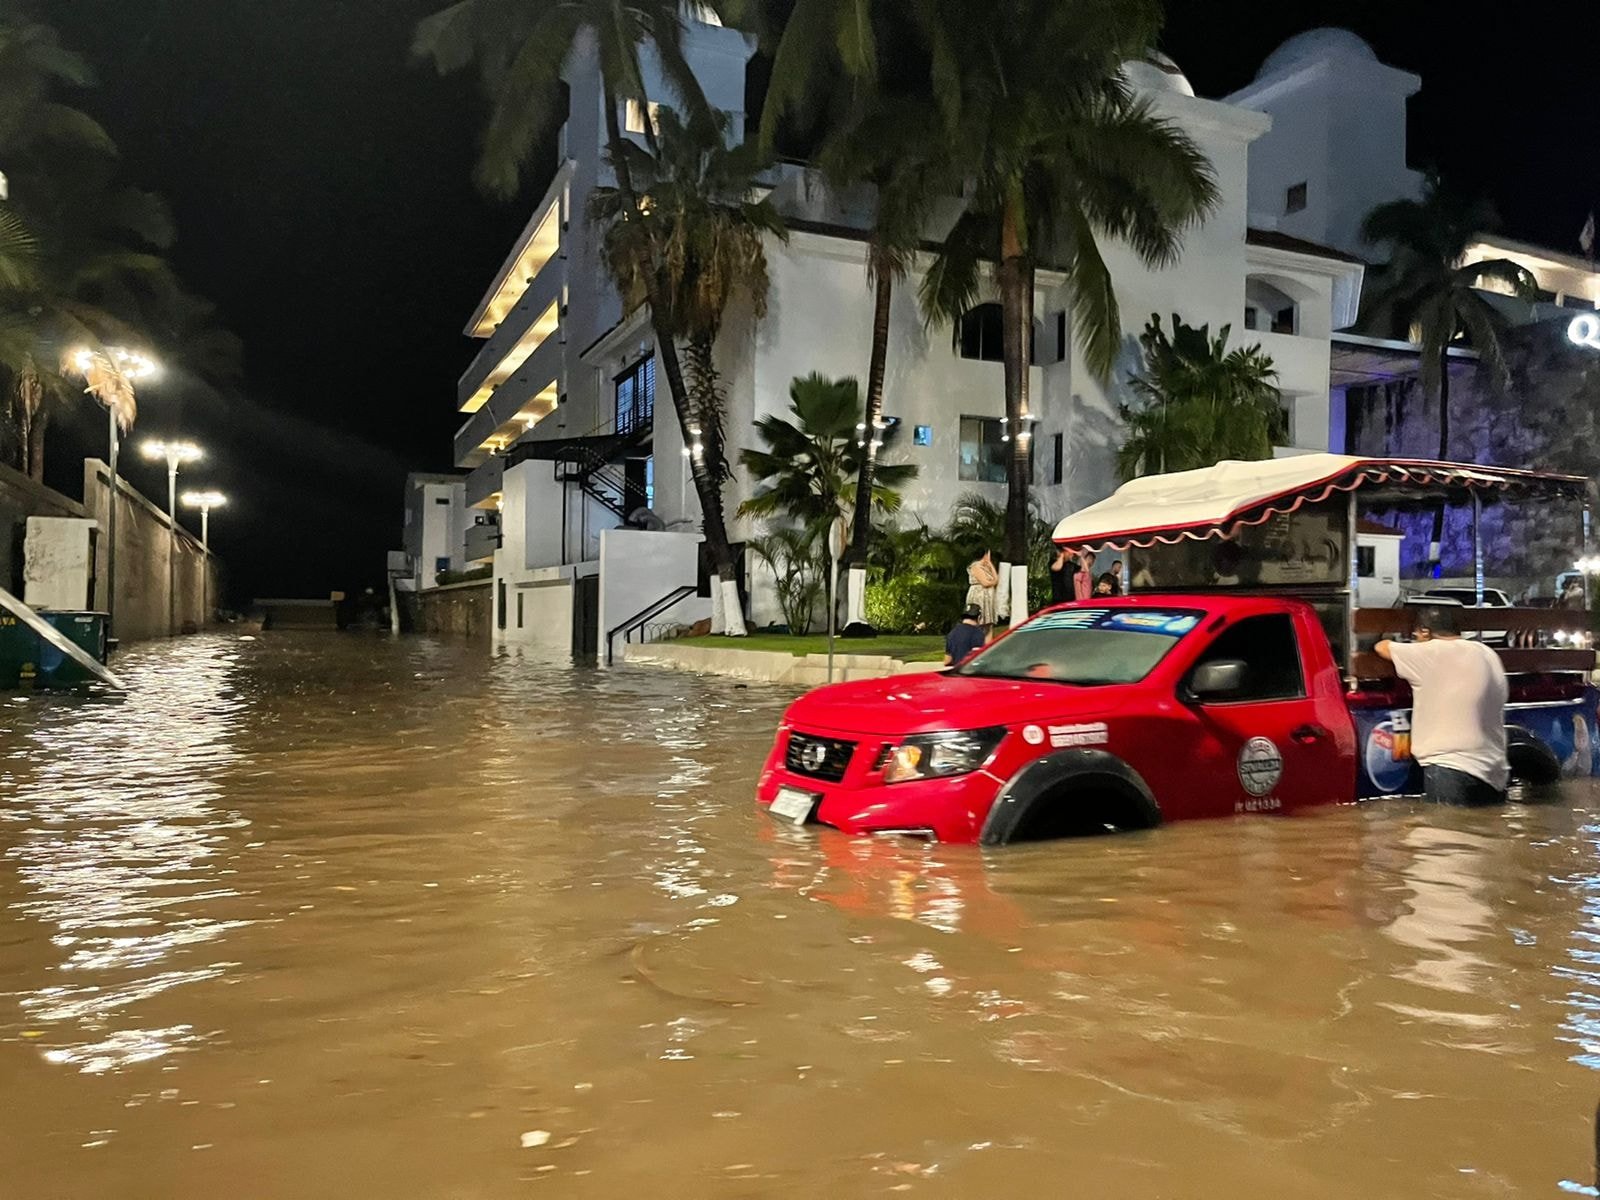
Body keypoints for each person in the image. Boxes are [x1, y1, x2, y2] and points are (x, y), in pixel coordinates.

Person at [1375, 604, 1509, 805]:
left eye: (1416, 634)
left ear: (1425, 632)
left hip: (1449, 768)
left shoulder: (1428, 652)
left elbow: (1382, 647)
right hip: (1494, 771)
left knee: (1443, 833)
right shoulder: (1487, 653)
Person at [966, 550, 999, 630]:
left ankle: (988, 642)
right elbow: (985, 583)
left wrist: (990, 565)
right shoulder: (976, 566)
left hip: (988, 597)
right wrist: (993, 582)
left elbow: (996, 579)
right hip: (979, 595)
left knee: (988, 624)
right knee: (978, 621)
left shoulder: (986, 567)